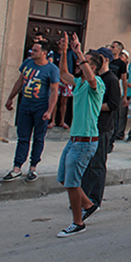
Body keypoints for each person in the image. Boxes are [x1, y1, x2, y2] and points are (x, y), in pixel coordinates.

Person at [55, 33, 105, 237]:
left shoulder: (97, 83)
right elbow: (63, 74)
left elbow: (92, 78)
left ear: (92, 66)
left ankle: (78, 222)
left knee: (72, 183)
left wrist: (78, 51)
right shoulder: (79, 83)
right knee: (63, 178)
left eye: (83, 62)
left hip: (85, 141)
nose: (78, 65)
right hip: (74, 140)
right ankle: (88, 205)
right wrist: (64, 51)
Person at [3, 40, 59, 182]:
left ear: (43, 53)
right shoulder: (27, 64)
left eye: (35, 50)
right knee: (23, 137)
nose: (31, 52)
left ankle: (33, 167)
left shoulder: (52, 69)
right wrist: (11, 98)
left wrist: (49, 110)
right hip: (25, 106)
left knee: (38, 138)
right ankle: (17, 167)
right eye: (32, 50)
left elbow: (54, 91)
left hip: (40, 108)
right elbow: (20, 81)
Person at [80, 47, 121, 209]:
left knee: (97, 164)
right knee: (86, 164)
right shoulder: (94, 79)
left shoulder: (111, 79)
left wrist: (94, 106)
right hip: (89, 127)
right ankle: (82, 197)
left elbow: (114, 104)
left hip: (102, 128)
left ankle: (94, 200)